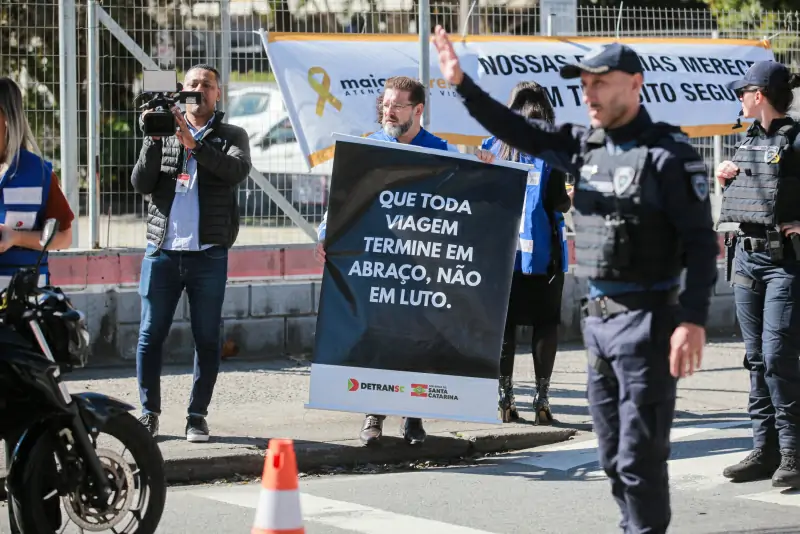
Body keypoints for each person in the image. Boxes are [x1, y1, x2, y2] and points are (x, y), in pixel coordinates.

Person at [433, 27, 719, 534]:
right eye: (583, 84)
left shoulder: (668, 155)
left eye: (599, 83)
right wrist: (462, 85)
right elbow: (519, 133)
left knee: (638, 459)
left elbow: (701, 244)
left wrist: (693, 320)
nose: (587, 93)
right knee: (611, 455)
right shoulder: (583, 145)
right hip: (598, 325)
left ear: (634, 84)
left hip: (649, 323)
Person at [316, 75, 458, 447]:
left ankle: (413, 417)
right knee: (377, 337)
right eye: (385, 104)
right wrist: (326, 235)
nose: (388, 111)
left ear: (418, 110)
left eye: (397, 106)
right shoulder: (367, 149)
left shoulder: (440, 152)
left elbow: (463, 209)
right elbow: (342, 201)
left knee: (416, 339)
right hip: (377, 261)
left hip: (421, 265)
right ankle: (373, 415)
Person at [130, 63, 251, 443]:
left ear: (218, 95)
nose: (201, 88)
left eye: (208, 84)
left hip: (208, 255)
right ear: (182, 91)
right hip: (162, 252)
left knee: (207, 338)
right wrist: (153, 138)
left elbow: (235, 171)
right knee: (150, 334)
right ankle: (149, 413)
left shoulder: (232, 134)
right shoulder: (162, 130)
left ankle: (196, 416)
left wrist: (194, 145)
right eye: (194, 83)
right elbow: (141, 182)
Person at [716, 61, 800, 488]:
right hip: (745, 258)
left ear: (759, 95)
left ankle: (793, 453)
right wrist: (725, 177)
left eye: (742, 92)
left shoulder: (798, 139)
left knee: (777, 357)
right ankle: (763, 450)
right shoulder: (749, 138)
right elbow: (748, 195)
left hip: (784, 263)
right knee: (755, 360)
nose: (740, 99)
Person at [0, 76, 75, 528]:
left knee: (31, 425)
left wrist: (17, 238)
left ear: (8, 120)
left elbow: (65, 233)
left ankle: (36, 522)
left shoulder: (38, 171)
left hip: (24, 315)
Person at [474, 81, 571, 424]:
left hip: (503, 253)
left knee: (505, 325)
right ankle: (542, 402)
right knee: (546, 324)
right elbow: (558, 200)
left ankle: (505, 400)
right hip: (544, 256)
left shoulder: (492, 147)